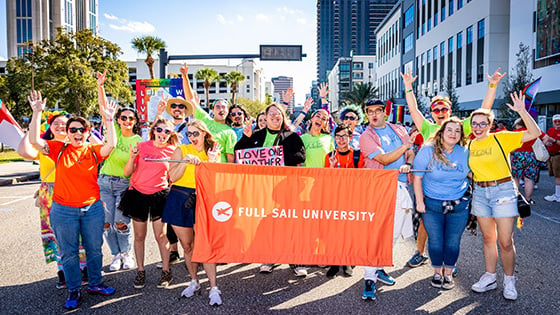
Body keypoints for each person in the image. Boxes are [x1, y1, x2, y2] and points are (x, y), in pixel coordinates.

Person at [400, 68, 505, 270]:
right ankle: (420, 253)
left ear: (450, 110)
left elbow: (484, 109)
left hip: (454, 188)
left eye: (444, 109)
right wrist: (408, 86)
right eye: (436, 110)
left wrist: (492, 85)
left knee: (451, 229)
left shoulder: (460, 126)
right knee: (424, 223)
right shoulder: (428, 128)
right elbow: (413, 110)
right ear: (431, 113)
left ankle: (448, 262)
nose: (440, 113)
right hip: (429, 187)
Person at [28, 90, 117, 310]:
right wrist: (37, 113)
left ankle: (95, 283)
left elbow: (111, 145)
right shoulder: (59, 148)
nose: (77, 133)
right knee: (68, 252)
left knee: (94, 249)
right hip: (63, 210)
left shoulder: (93, 150)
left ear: (87, 132)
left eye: (81, 129)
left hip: (92, 209)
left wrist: (109, 120)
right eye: (73, 130)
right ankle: (74, 289)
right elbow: (33, 141)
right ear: (67, 133)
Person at [468, 91, 540, 301]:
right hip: (480, 192)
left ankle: (509, 280)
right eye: (475, 124)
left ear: (490, 125)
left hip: (503, 191)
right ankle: (490, 277)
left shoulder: (502, 138)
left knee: (505, 241)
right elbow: (467, 169)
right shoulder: (470, 144)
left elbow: (534, 133)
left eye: (483, 124)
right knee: (488, 239)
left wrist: (522, 111)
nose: (478, 128)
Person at [17, 111, 89, 289]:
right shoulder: (45, 146)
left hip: (75, 191)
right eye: (55, 123)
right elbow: (23, 151)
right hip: (50, 193)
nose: (60, 126)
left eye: (64, 123)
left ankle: (83, 268)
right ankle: (63, 270)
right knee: (57, 234)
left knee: (79, 232)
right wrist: (34, 120)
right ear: (50, 126)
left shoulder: (78, 145)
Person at [235, 103, 306, 276]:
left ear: (282, 118)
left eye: (278, 114)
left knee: (290, 224)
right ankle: (270, 257)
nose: (275, 117)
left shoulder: (292, 136)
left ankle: (295, 260)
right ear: (265, 118)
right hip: (262, 189)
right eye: (272, 114)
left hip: (286, 188)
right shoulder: (255, 135)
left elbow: (301, 156)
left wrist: (275, 155)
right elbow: (239, 153)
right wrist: (245, 138)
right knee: (268, 224)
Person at [359, 98, 417, 301]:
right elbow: (384, 159)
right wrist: (406, 146)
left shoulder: (398, 129)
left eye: (377, 110)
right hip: (379, 187)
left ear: (385, 112)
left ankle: (379, 268)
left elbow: (410, 153)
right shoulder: (365, 136)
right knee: (376, 233)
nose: (374, 114)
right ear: (366, 114)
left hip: (401, 186)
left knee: (392, 234)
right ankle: (369, 277)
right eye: (369, 111)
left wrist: (408, 163)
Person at [163, 120, 223, 305]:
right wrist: (185, 162)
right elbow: (172, 177)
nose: (192, 137)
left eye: (196, 133)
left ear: (204, 133)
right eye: (189, 134)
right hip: (179, 197)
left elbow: (216, 181)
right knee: (187, 245)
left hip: (203, 199)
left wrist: (210, 162)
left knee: (205, 245)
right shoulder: (181, 149)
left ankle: (214, 287)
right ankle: (194, 281)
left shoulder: (213, 151)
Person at [413, 118, 471, 290]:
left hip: (459, 204)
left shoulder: (465, 152)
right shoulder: (427, 151)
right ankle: (437, 272)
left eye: (457, 131)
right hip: (432, 205)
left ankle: (448, 273)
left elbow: (472, 173)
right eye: (449, 130)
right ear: (441, 133)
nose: (453, 134)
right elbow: (417, 177)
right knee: (436, 241)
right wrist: (419, 202)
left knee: (453, 241)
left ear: (461, 135)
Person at [120, 118, 178, 289]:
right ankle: (140, 271)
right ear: (154, 131)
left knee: (161, 236)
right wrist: (132, 157)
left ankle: (166, 271)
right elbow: (126, 173)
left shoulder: (173, 151)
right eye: (160, 130)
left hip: (160, 196)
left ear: (171, 134)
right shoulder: (142, 146)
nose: (163, 134)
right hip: (138, 195)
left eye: (167, 132)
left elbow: (174, 176)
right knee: (139, 236)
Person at [96, 71, 143, 272]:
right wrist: (100, 86)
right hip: (105, 182)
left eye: (130, 118)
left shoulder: (139, 141)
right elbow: (103, 108)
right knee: (107, 223)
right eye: (123, 117)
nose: (126, 120)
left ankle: (127, 254)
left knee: (121, 222)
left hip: (124, 185)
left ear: (135, 121)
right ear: (118, 119)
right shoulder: (111, 132)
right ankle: (115, 256)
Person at [154, 88, 197, 268]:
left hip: (186, 178)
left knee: (191, 219)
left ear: (186, 110)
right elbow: (153, 135)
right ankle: (173, 251)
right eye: (174, 106)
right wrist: (158, 113)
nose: (178, 108)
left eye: (181, 106)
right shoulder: (166, 127)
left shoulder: (191, 127)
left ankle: (195, 252)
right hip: (167, 176)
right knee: (171, 217)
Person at [324, 123, 363, 278]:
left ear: (350, 137)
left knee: (349, 231)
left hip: (352, 198)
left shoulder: (357, 155)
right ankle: (334, 262)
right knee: (334, 231)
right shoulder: (329, 156)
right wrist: (332, 167)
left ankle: (347, 261)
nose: (341, 140)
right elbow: (326, 180)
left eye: (344, 136)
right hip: (334, 198)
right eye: (338, 136)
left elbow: (362, 178)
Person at [180, 63, 237, 163]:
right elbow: (190, 100)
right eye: (218, 107)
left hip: (217, 171)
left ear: (228, 111)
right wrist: (185, 77)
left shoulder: (230, 133)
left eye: (224, 107)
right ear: (213, 110)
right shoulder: (204, 119)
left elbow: (230, 160)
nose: (221, 109)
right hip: (197, 166)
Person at [510, 118, 545, 204]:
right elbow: (546, 138)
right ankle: (528, 199)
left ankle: (516, 198)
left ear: (518, 124)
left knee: (515, 178)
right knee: (529, 179)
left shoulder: (515, 132)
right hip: (531, 155)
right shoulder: (532, 132)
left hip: (517, 155)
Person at [543, 114, 560, 202]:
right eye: (555, 121)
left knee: (558, 176)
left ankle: (557, 195)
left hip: (558, 155)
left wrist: (553, 141)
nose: (557, 123)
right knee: (555, 176)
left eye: (559, 121)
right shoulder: (550, 130)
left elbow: (554, 140)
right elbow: (545, 139)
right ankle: (557, 194)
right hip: (552, 155)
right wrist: (547, 143)